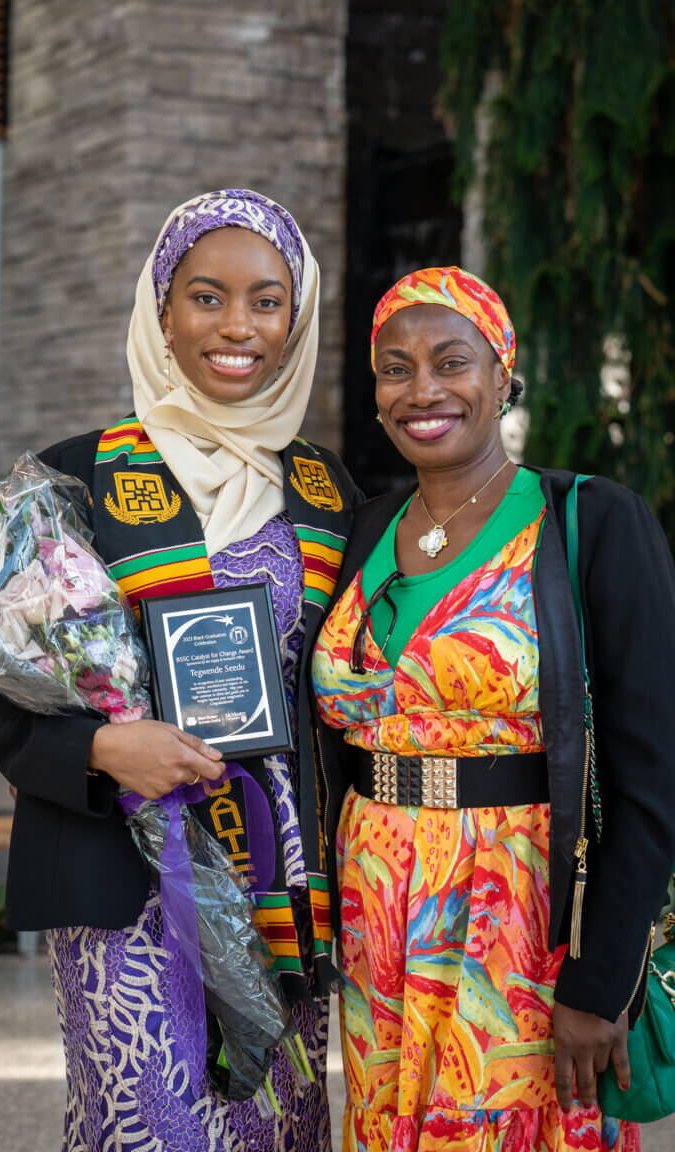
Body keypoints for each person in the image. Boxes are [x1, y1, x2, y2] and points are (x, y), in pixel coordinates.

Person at [0, 189, 361, 1151]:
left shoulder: (327, 494)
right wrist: (101, 746)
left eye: (267, 301)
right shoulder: (75, 477)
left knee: (280, 1124)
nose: (238, 328)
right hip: (123, 886)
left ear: (297, 317)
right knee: (152, 1125)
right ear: (160, 309)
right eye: (206, 296)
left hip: (281, 880)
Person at [311, 266, 675, 1152]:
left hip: (520, 922)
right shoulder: (365, 529)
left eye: (451, 361)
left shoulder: (589, 522)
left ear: (503, 374)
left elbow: (654, 771)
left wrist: (601, 980)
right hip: (378, 922)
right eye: (394, 368)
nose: (422, 389)